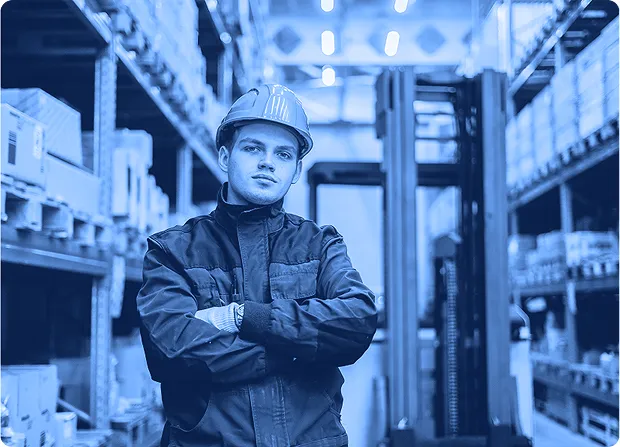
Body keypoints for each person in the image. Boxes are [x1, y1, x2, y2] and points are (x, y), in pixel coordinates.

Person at [137, 84, 378, 447]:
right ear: (224, 157)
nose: (268, 162)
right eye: (253, 148)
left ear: (295, 171)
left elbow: (357, 322)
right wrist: (301, 348)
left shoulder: (320, 243)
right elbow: (172, 352)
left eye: (283, 154)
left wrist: (244, 318)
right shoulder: (173, 251)